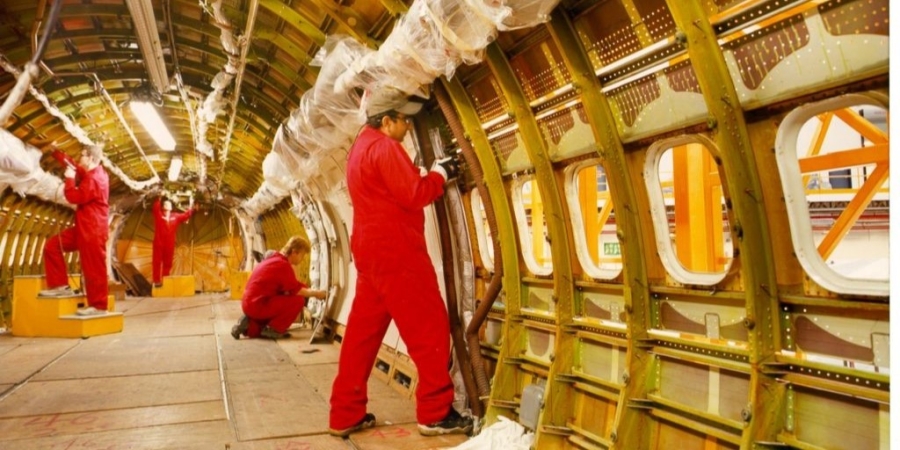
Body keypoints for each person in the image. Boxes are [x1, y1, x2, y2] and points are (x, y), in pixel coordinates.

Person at [328, 89, 469, 438]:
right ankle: (435, 412)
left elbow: (388, 189)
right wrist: (438, 175)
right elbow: (415, 194)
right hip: (398, 254)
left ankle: (344, 413)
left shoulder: (358, 149)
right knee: (429, 328)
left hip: (370, 254)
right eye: (403, 120)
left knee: (362, 337)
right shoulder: (385, 147)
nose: (408, 125)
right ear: (385, 121)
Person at [38, 144, 110, 316]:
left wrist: (69, 179)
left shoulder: (94, 180)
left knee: (94, 268)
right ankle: (60, 285)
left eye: (83, 155)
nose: (80, 158)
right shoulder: (95, 172)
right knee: (53, 246)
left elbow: (74, 197)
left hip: (93, 230)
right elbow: (76, 167)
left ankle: (99, 306)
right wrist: (58, 154)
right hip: (84, 228)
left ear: (91, 158)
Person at [230, 236, 327, 340]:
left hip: (250, 302)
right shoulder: (283, 266)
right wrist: (317, 294)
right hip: (257, 305)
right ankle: (273, 330)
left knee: (261, 326)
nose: (302, 259)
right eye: (302, 256)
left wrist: (308, 288)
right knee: (298, 301)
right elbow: (297, 290)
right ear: (294, 252)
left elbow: (293, 284)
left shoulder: (274, 259)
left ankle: (247, 325)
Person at [151, 194, 195, 286]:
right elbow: (155, 209)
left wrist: (193, 209)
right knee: (157, 262)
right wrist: (158, 198)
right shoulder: (159, 215)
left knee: (168, 263)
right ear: (163, 207)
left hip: (169, 244)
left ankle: (165, 280)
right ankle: (156, 281)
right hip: (159, 243)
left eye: (170, 204)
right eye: (167, 203)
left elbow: (185, 216)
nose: (169, 204)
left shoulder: (175, 216)